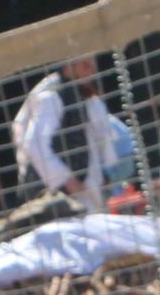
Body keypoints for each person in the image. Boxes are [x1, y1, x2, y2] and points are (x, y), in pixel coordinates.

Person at [13, 55, 123, 213]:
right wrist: (68, 181)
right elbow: (35, 146)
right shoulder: (51, 98)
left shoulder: (88, 101)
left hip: (84, 196)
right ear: (68, 67)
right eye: (85, 66)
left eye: (93, 66)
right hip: (50, 199)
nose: (92, 72)